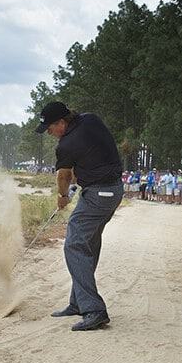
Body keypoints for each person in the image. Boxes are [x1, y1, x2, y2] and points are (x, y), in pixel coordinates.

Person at [36, 101, 124, 332]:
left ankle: (94, 310)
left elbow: (64, 175)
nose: (49, 133)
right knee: (89, 244)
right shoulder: (90, 119)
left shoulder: (66, 144)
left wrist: (62, 196)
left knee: (74, 244)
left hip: (99, 194)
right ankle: (78, 302)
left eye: (50, 128)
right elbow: (91, 155)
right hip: (111, 190)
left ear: (62, 122)